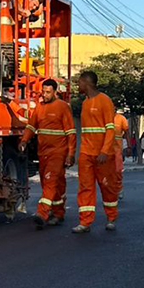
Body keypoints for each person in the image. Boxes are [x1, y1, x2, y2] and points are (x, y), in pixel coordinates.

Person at [19, 79, 76, 229]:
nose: (44, 95)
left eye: (48, 92)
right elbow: (31, 126)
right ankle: (57, 213)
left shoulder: (63, 107)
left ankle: (42, 213)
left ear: (55, 92)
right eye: (43, 92)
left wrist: (71, 153)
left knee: (50, 182)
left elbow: (70, 132)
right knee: (53, 183)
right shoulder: (40, 107)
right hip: (43, 152)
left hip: (58, 152)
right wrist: (24, 140)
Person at [74, 71, 119, 233]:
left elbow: (110, 128)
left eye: (79, 82)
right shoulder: (85, 103)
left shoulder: (105, 101)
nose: (78, 86)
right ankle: (85, 222)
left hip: (103, 154)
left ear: (87, 83)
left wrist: (104, 151)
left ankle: (111, 217)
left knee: (107, 186)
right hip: (86, 153)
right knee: (85, 187)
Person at [113, 109, 130, 199]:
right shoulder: (104, 117)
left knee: (117, 171)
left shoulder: (121, 119)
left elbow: (127, 133)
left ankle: (119, 189)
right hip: (105, 151)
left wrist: (129, 146)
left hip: (117, 150)